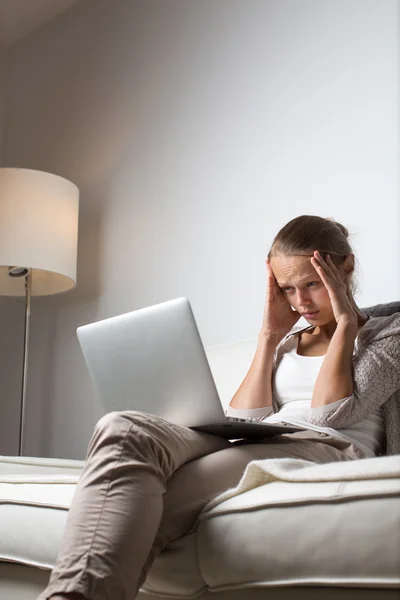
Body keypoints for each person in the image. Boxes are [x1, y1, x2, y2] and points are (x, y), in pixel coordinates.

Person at [40, 215, 400, 600]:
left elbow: (329, 416)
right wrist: (269, 337)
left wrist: (346, 322)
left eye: (312, 284)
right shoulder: (287, 340)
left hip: (328, 445)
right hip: (262, 437)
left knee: (160, 500)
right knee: (124, 427)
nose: (300, 302)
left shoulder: (389, 333)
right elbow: (245, 419)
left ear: (346, 268)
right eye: (287, 288)